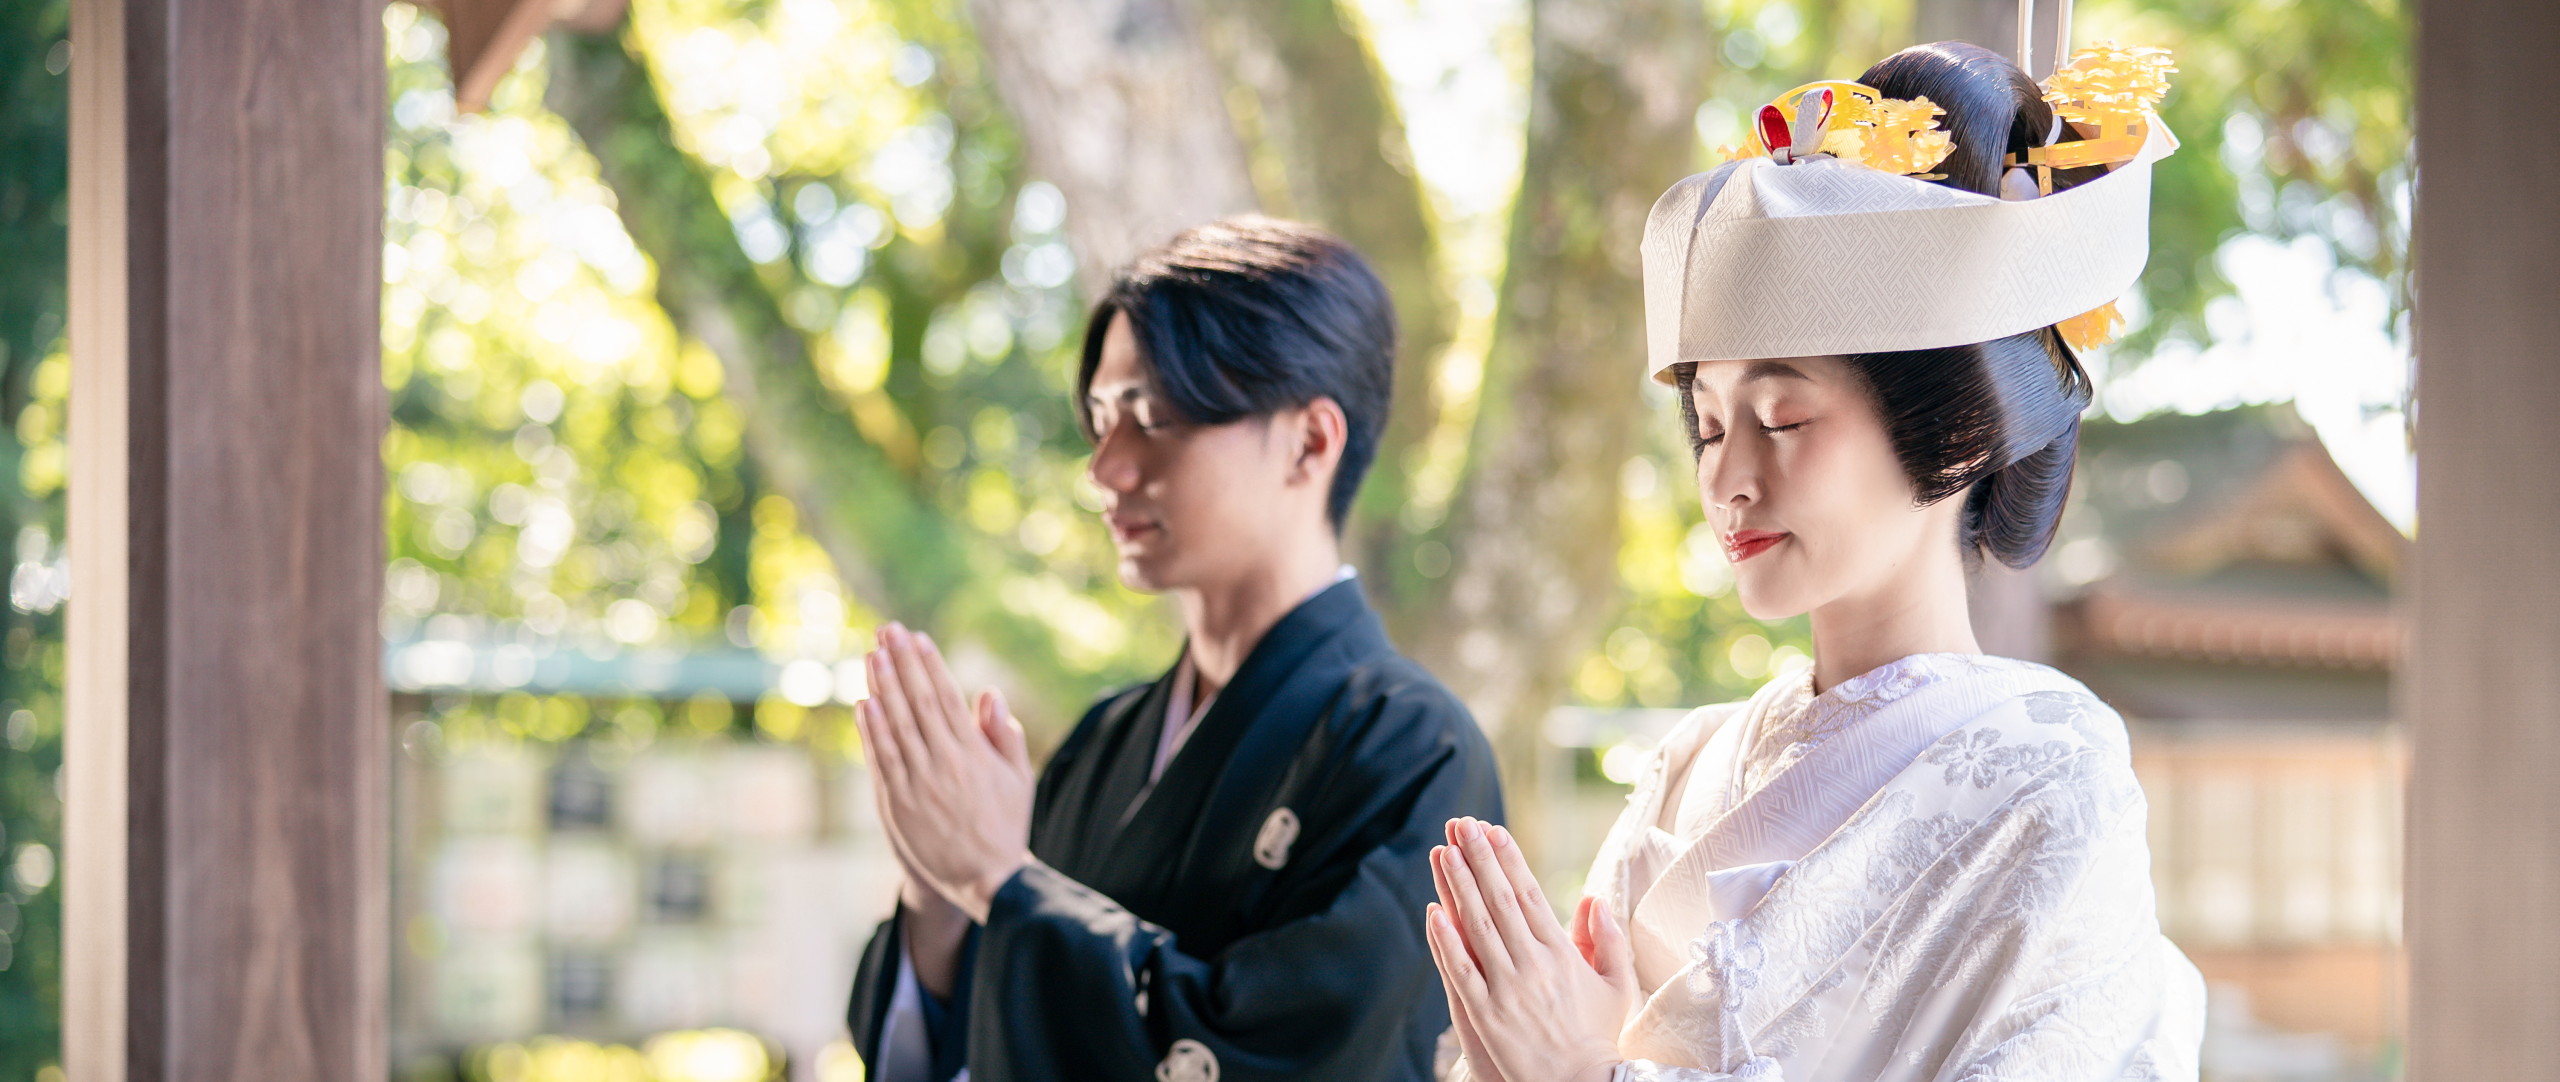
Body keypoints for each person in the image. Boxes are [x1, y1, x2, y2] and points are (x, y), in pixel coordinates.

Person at [1423, 40, 2206, 1082]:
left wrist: (1590, 1071)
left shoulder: (2050, 766)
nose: (1728, 479)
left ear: (1958, 435)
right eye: (1707, 426)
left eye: (1784, 417)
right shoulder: (1691, 763)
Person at [848, 216, 1504, 1082]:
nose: (1106, 468)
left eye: (1153, 416)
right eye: (1100, 417)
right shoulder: (1101, 744)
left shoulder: (1415, 751)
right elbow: (976, 1037)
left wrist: (998, 879)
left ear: (1311, 440)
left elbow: (1304, 1055)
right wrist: (939, 893)